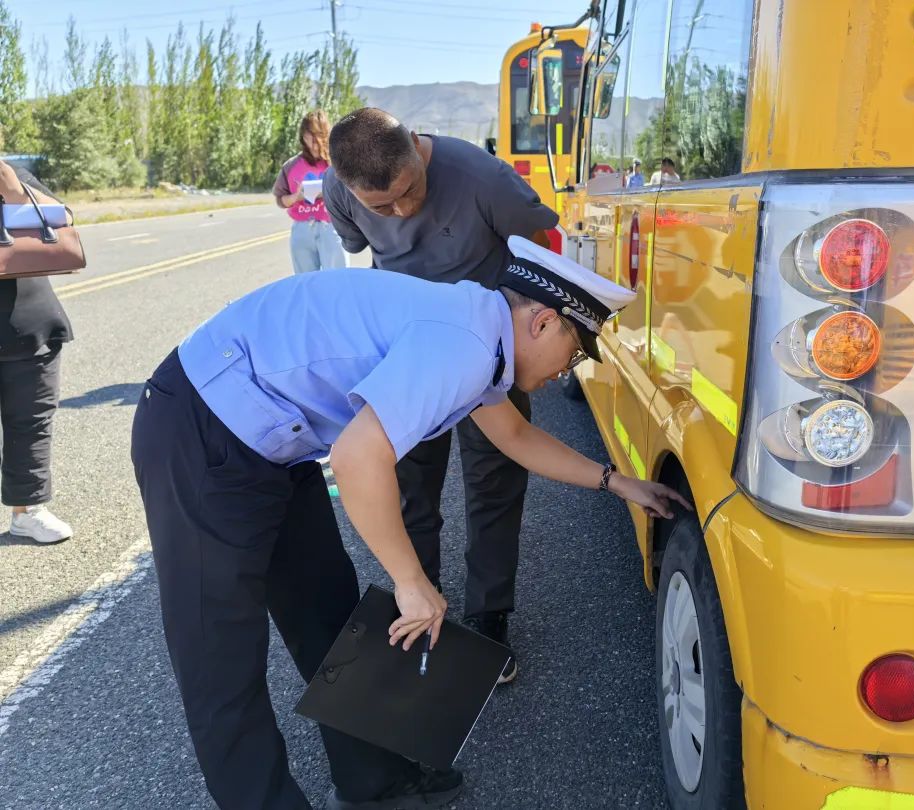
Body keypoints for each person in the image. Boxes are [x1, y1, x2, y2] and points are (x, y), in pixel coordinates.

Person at [130, 236, 687, 810]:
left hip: (274, 439)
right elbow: (356, 459)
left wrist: (617, 482)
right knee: (220, 660)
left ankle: (374, 781)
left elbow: (516, 436)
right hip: (200, 427)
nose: (564, 372)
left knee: (326, 613)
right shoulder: (465, 345)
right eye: (573, 354)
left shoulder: (481, 332)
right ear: (543, 323)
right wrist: (412, 582)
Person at [322, 108, 558, 683]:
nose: (402, 212)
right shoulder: (339, 185)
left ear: (417, 151)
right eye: (383, 207)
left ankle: (489, 618)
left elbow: (545, 241)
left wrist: (526, 328)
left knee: (494, 482)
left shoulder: (482, 177)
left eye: (410, 193)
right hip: (404, 355)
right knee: (407, 488)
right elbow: (357, 244)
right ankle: (422, 605)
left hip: (486, 351)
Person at [0, 160, 74, 544]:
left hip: (29, 323)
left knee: (31, 421)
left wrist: (12, 190)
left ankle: (28, 512)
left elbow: (62, 218)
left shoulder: (10, 173)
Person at [272, 110, 347, 274]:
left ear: (327, 134)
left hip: (332, 227)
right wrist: (296, 197)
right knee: (305, 282)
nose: (314, 141)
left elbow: (351, 193)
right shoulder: (291, 166)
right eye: (310, 135)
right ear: (302, 136)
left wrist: (328, 193)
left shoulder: (338, 163)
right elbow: (279, 199)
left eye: (319, 134)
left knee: (337, 280)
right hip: (302, 229)